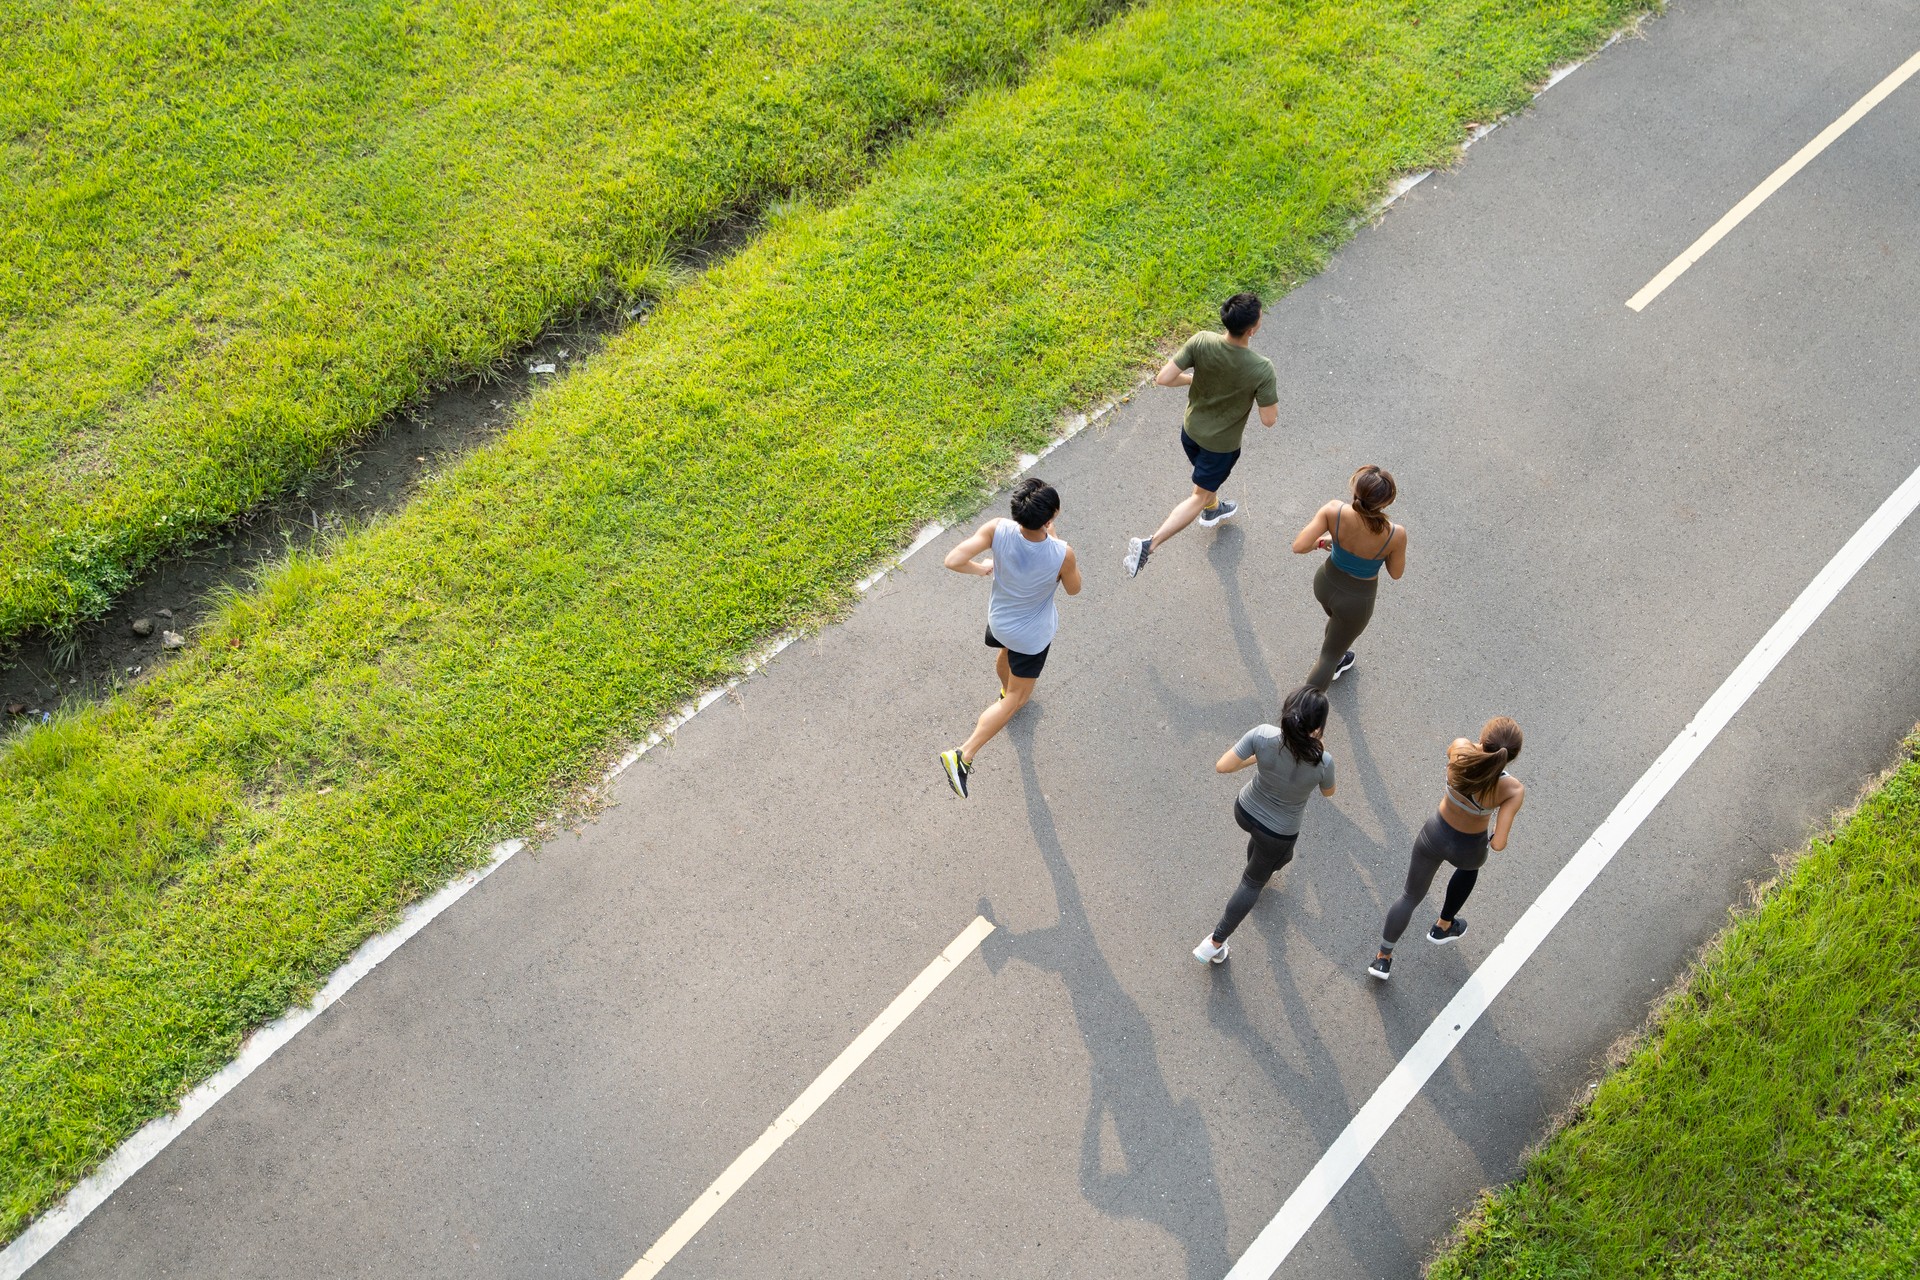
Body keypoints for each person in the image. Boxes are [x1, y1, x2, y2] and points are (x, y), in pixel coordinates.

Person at [939, 478, 1081, 797]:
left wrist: (984, 568)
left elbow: (953, 560)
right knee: (1019, 698)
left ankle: (1005, 693)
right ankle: (963, 754)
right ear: (1049, 519)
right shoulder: (1061, 553)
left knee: (1006, 658)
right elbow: (1074, 589)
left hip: (1000, 621)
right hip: (1031, 636)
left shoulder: (997, 528)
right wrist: (1057, 543)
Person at [1124, 293, 1280, 578]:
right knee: (1197, 494)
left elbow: (1164, 378)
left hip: (1191, 432)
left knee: (1207, 485)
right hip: (1219, 447)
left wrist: (1191, 379)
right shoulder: (1261, 368)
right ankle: (1151, 544)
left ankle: (1213, 509)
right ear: (1252, 329)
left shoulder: (1201, 340)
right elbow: (1269, 420)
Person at [1367, 718, 1525, 981]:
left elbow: (1457, 751)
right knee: (1469, 869)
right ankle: (1443, 926)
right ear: (1512, 757)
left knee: (1409, 896)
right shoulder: (1512, 789)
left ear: (1482, 739)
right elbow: (1498, 844)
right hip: (1469, 846)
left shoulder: (1462, 749)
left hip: (1435, 833)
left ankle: (1382, 959)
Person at [1194, 686, 1337, 964]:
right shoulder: (1323, 761)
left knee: (1264, 854)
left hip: (1245, 810)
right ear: (1318, 728)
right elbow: (1328, 793)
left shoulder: (1262, 735)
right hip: (1279, 832)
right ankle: (1215, 942)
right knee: (1254, 880)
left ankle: (1261, 864)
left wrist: (1259, 758)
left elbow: (1223, 766)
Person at [1291, 465, 1406, 689]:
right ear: (1386, 502)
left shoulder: (1334, 510)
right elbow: (1396, 573)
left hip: (1325, 584)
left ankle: (1337, 651)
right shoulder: (1395, 534)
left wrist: (1324, 541)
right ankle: (1303, 715)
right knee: (1328, 656)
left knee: (1337, 629)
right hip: (1356, 602)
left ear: (1356, 490)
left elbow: (1299, 546)